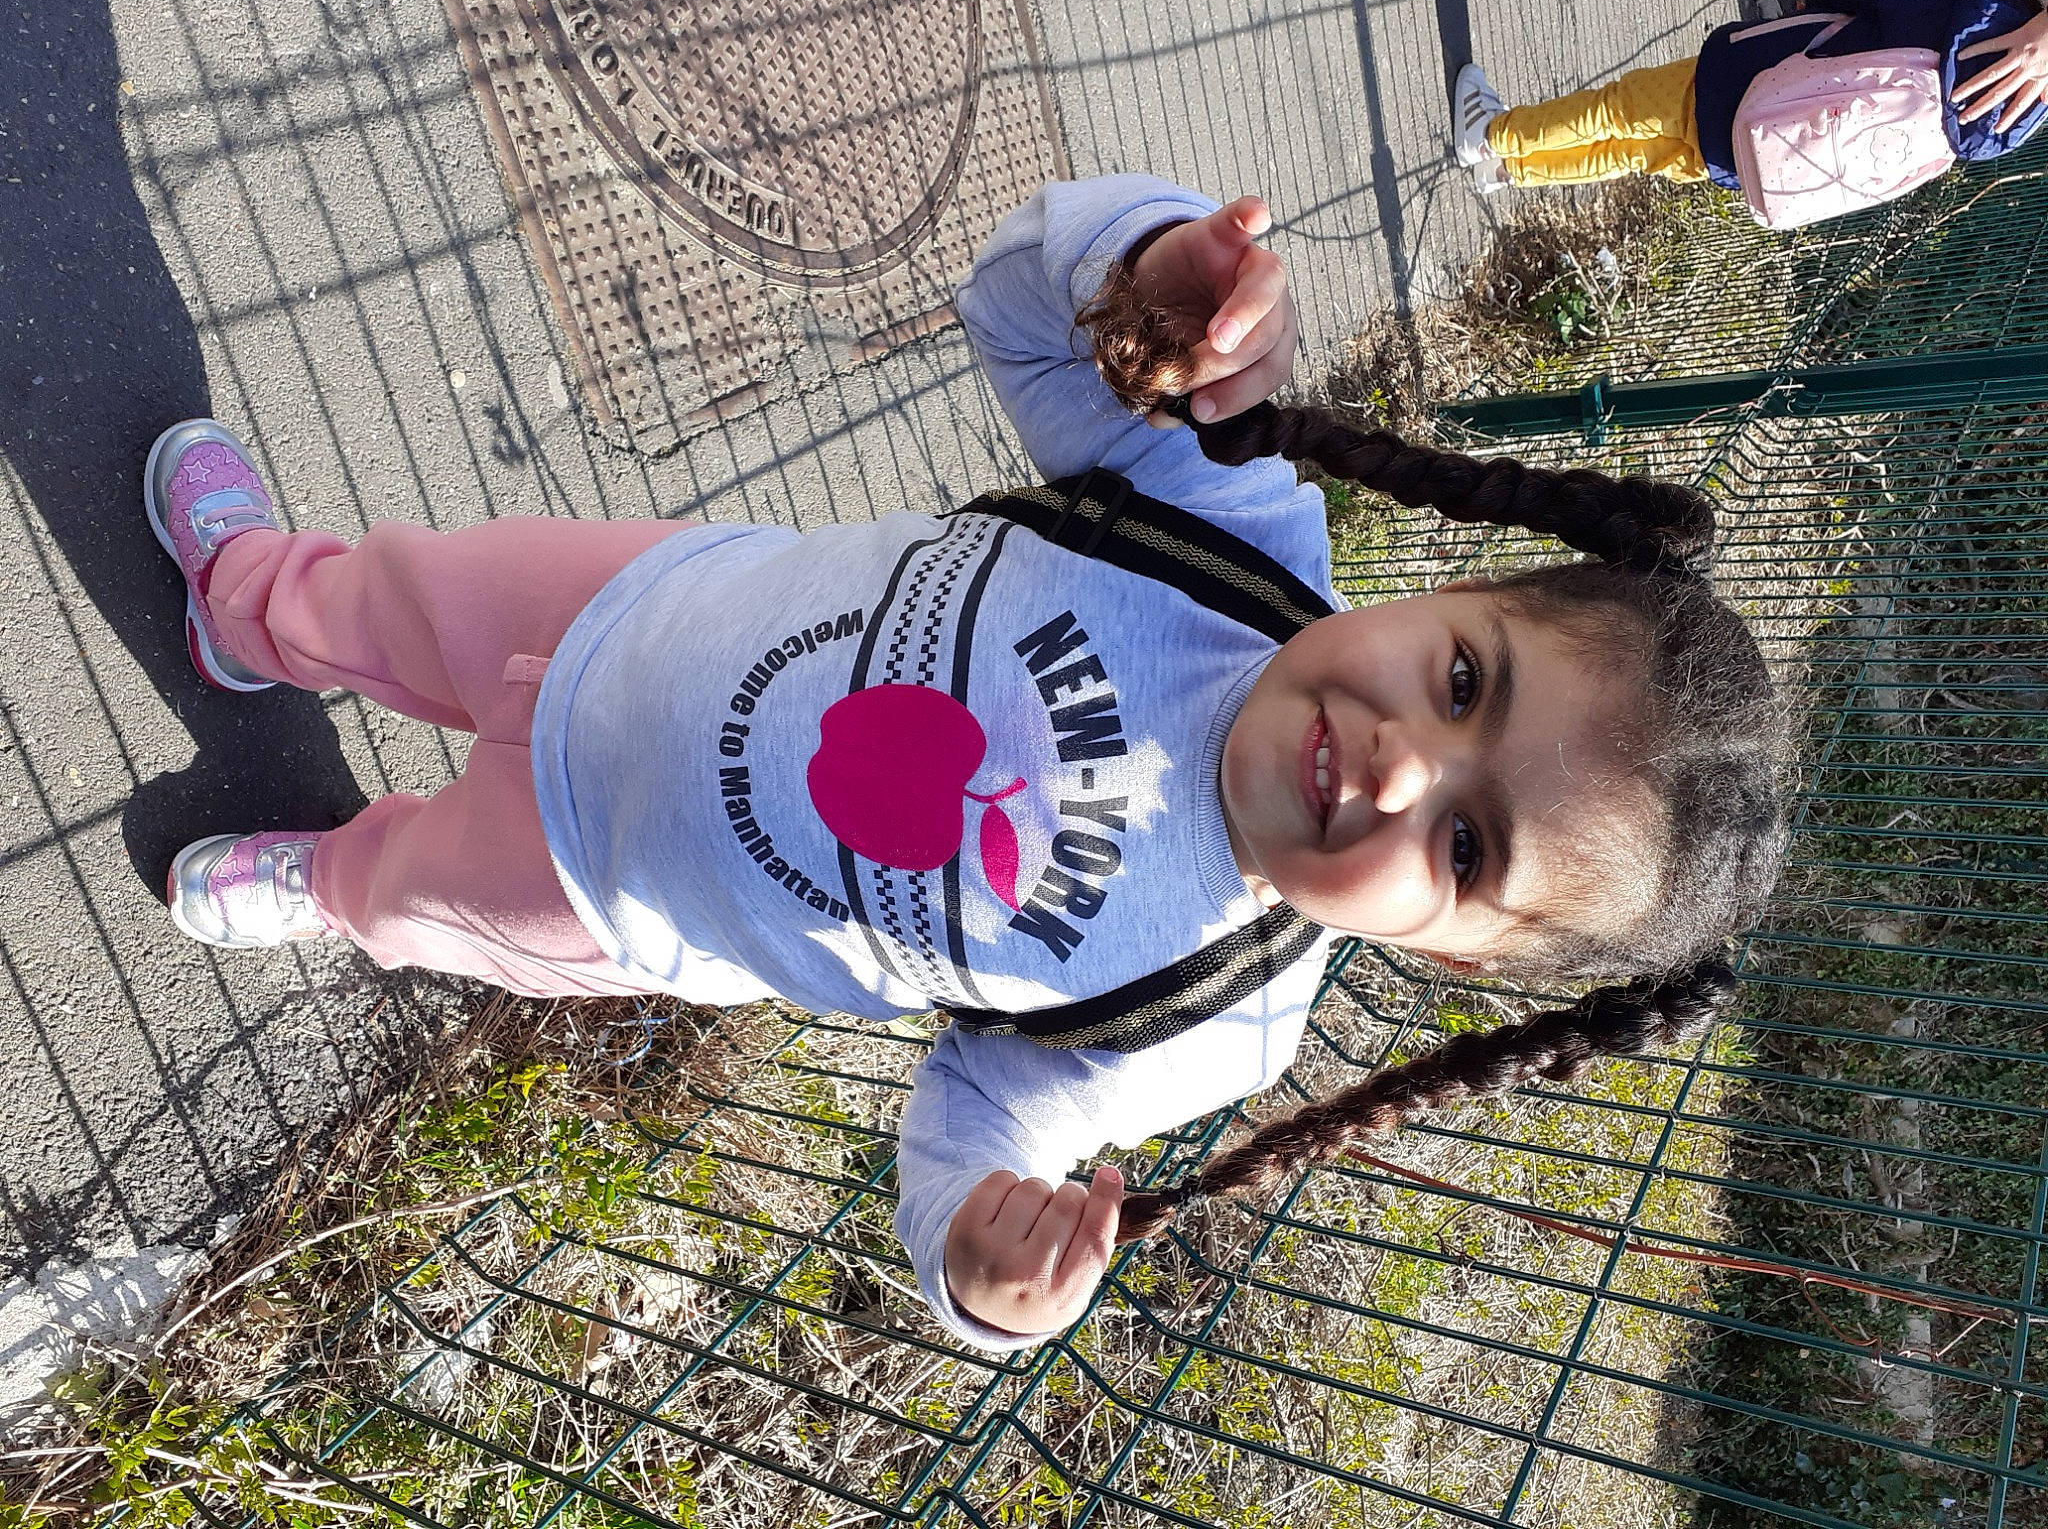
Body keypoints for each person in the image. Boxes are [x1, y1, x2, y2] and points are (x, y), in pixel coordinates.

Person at [142, 174, 1790, 1349]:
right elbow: (1012, 298)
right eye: (1456, 678)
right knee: (398, 594)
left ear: (1448, 962)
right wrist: (1140, 276)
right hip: (643, 602)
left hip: (607, 884)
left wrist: (981, 1265)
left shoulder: (1207, 1024)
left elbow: (974, 1120)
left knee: (420, 894)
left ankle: (331, 873)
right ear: (1455, 581)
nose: (1396, 764)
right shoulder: (1225, 524)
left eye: (1462, 850)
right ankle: (257, 606)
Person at [1452, 0, 2047, 197]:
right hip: (1772, 150)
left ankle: (1489, 136)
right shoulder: (2024, 112)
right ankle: (1513, 170)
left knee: (1620, 108)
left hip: (1759, 76)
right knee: (1635, 155)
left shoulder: (1990, 16)